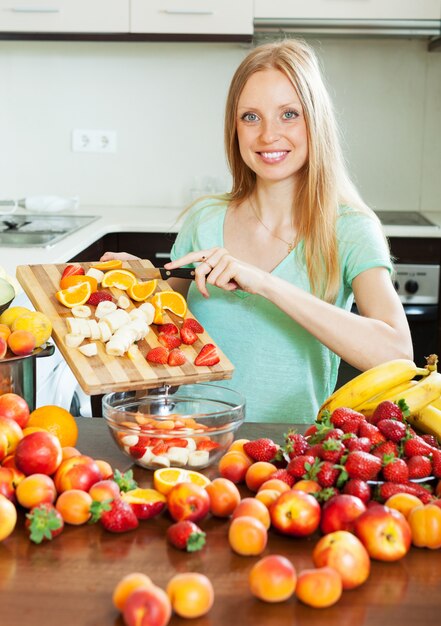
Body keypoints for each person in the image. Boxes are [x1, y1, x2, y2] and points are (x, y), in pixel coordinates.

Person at [101, 39, 412, 424]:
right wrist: (136, 283)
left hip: (287, 458)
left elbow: (398, 354)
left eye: (289, 114)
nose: (268, 135)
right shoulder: (205, 218)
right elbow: (160, 326)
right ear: (235, 127)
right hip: (190, 442)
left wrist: (264, 283)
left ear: (316, 121)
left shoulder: (348, 229)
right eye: (251, 117)